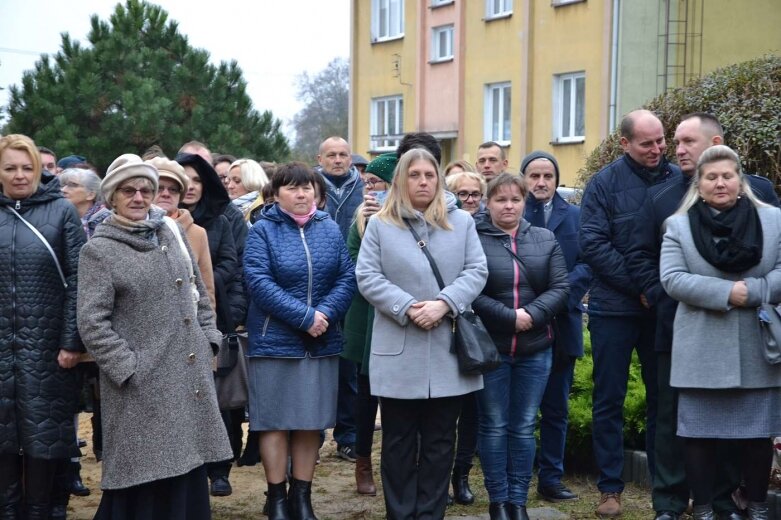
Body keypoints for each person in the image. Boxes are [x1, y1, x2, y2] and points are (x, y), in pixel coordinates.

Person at [626, 112, 780, 520]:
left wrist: (753, 293)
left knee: (745, 427)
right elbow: (645, 257)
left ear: (715, 144)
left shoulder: (764, 200)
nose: (677, 149)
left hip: (752, 333)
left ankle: (729, 500)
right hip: (683, 328)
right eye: (674, 141)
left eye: (686, 141)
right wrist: (667, 296)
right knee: (676, 422)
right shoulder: (663, 200)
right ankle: (671, 503)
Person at [77, 153, 231, 519]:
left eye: (147, 190)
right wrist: (129, 368)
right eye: (128, 190)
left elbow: (198, 292)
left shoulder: (169, 233)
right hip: (139, 384)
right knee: (143, 473)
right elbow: (91, 322)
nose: (139, 197)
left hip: (187, 373)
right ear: (111, 196)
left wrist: (209, 338)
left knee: (187, 466)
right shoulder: (99, 249)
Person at [356, 148, 488, 520]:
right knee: (397, 442)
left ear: (439, 179)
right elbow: (367, 276)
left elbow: (476, 271)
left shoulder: (461, 223)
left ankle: (431, 514)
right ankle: (400, 513)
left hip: (448, 349)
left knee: (440, 442)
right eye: (414, 175)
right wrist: (408, 306)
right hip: (398, 349)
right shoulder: (381, 224)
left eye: (429, 174)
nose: (423, 181)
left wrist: (444, 304)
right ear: (401, 180)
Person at [579, 109, 680, 517]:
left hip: (662, 307)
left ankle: (666, 486)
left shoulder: (679, 179)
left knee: (664, 401)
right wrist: (641, 288)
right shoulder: (603, 185)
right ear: (624, 144)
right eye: (647, 143)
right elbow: (593, 244)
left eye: (661, 141)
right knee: (609, 399)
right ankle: (609, 488)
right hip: (614, 308)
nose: (657, 149)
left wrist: (656, 292)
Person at [244, 162, 356, 520]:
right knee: (274, 422)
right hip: (275, 341)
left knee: (311, 422)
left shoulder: (330, 229)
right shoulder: (262, 230)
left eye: (307, 187)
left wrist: (323, 315)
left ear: (316, 193)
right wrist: (304, 318)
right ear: (276, 195)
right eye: (292, 188)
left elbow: (346, 276)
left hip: (322, 341)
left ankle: (301, 497)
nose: (301, 193)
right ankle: (277, 497)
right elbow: (258, 282)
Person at [472, 173, 569, 520]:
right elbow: (470, 290)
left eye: (515, 199)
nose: (508, 205)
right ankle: (498, 500)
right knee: (494, 424)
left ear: (525, 202)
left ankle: (518, 499)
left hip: (536, 347)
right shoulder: (474, 238)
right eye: (500, 199)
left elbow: (560, 287)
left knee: (525, 425)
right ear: (488, 202)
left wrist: (531, 314)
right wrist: (509, 317)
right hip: (492, 347)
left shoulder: (544, 238)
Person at [0, 134, 86, 518]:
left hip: (46, 348)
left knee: (43, 439)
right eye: (10, 168)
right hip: (2, 346)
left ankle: (40, 511)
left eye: (27, 168)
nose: (19, 175)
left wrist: (70, 341)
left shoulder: (61, 212)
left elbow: (79, 279)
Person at [176, 152, 247, 496]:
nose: (190, 186)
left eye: (197, 179)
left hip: (213, 313)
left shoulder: (220, 218)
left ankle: (221, 468)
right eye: (183, 179)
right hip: (171, 317)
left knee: (221, 396)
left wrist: (200, 283)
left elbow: (232, 262)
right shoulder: (164, 220)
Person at [521, 151, 591, 503]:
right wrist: (533, 303)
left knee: (556, 408)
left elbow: (586, 263)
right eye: (534, 175)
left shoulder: (575, 216)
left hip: (563, 322)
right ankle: (514, 477)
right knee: (518, 409)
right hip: (522, 323)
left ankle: (551, 478)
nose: (541, 182)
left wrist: (558, 297)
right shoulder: (513, 213)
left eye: (548, 175)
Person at [342, 152, 397, 496]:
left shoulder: (408, 220)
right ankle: (363, 463)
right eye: (367, 184)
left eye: (377, 183)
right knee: (367, 397)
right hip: (367, 315)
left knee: (397, 401)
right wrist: (366, 225)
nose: (370, 190)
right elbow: (351, 263)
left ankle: (395, 465)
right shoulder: (359, 220)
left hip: (399, 315)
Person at [316, 136, 364, 463]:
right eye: (331, 155)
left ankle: (348, 435)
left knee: (350, 368)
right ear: (320, 158)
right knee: (317, 367)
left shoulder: (364, 191)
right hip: (317, 288)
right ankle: (311, 435)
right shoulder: (309, 188)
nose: (337, 160)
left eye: (343, 154)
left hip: (356, 287)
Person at [148, 156, 216, 310]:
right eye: (159, 187)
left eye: (173, 189)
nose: (166, 194)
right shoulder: (132, 229)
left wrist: (209, 332)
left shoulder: (197, 233)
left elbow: (206, 292)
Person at [59, 167, 111, 238]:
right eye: (63, 185)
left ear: (90, 195)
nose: (63, 190)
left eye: (73, 185)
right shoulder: (59, 218)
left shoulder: (108, 222)